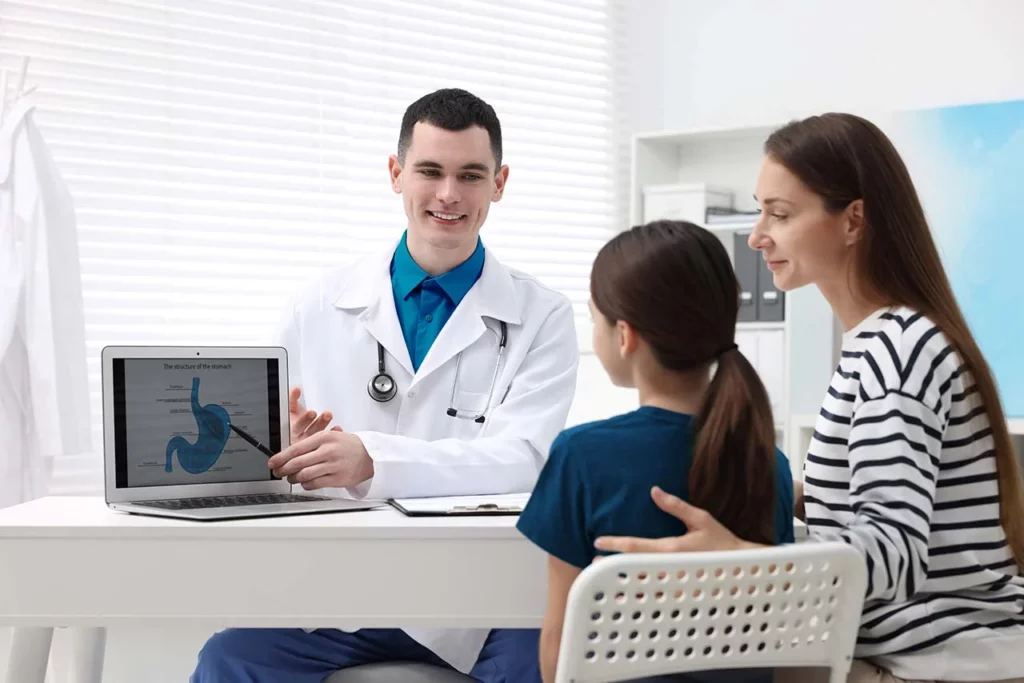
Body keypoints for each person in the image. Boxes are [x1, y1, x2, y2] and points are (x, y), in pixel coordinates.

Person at [594, 113, 1024, 683]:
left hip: (935, 666)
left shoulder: (896, 350)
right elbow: (873, 507)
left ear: (854, 220)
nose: (755, 236)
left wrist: (745, 565)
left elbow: (892, 555)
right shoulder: (881, 342)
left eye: (781, 213)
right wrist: (775, 491)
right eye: (759, 209)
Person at [190, 88, 580, 683]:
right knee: (228, 662)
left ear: (499, 183)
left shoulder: (542, 316)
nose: (449, 194)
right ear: (397, 174)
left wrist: (370, 458)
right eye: (430, 171)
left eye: (470, 175)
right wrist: (285, 450)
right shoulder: (316, 303)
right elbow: (262, 446)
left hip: (476, 599)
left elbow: (520, 461)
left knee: (542, 668)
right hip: (336, 590)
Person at [516, 219, 795, 683]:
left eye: (594, 316)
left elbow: (558, 647)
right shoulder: (768, 462)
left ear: (624, 336)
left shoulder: (581, 456)